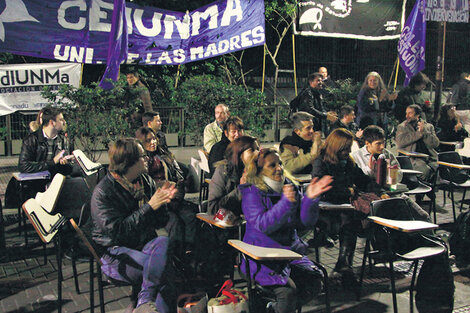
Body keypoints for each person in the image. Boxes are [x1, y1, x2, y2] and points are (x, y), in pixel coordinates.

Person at [241, 148, 333, 313]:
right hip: (262, 258)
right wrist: (286, 204)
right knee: (287, 292)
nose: (279, 168)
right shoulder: (252, 192)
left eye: (280, 163)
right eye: (272, 165)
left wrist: (310, 200)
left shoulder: (289, 187)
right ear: (260, 171)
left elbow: (305, 222)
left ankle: (274, 309)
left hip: (289, 254)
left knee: (315, 283)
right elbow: (262, 225)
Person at [91, 138, 176, 313]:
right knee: (162, 271)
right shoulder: (104, 192)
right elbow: (118, 233)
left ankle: (142, 303)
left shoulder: (145, 181)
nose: (148, 159)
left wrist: (162, 203)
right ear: (130, 162)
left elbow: (161, 222)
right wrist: (149, 206)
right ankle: (144, 302)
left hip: (142, 245)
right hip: (114, 252)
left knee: (163, 242)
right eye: (143, 156)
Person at [311, 129, 389, 285]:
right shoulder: (321, 161)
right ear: (337, 147)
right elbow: (321, 190)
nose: (348, 152)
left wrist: (380, 192)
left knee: (352, 218)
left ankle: (345, 265)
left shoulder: (348, 162)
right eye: (345, 148)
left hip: (345, 207)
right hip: (326, 210)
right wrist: (347, 191)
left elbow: (364, 181)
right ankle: (345, 266)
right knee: (349, 220)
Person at [135, 127, 197, 255]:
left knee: (191, 216)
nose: (153, 142)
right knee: (175, 223)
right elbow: (144, 187)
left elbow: (179, 176)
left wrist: (177, 193)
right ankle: (175, 257)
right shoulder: (141, 162)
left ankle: (190, 254)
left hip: (175, 197)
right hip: (158, 203)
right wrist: (163, 189)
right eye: (148, 140)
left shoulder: (165, 155)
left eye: (154, 138)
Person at [352, 126, 431, 221]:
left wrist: (390, 172)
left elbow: (397, 179)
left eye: (383, 142)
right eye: (378, 144)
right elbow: (360, 182)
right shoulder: (356, 157)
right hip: (373, 199)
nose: (382, 146)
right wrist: (369, 169)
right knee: (403, 218)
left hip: (394, 194)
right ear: (367, 143)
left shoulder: (387, 154)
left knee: (423, 216)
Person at [208, 135, 259, 215]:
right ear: (239, 154)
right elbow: (213, 209)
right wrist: (241, 190)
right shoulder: (223, 171)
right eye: (252, 150)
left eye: (258, 149)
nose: (257, 153)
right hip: (231, 223)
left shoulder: (260, 169)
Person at [19, 106, 72, 176]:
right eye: (61, 120)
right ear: (52, 122)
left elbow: (64, 170)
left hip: (57, 181)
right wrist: (52, 162)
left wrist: (67, 162)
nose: (64, 122)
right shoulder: (31, 139)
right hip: (36, 182)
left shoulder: (63, 139)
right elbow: (23, 166)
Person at [396, 104, 440, 182]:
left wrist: (425, 132)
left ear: (418, 115)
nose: (407, 116)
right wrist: (418, 134)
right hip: (413, 158)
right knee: (425, 171)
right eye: (406, 113)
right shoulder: (402, 127)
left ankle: (424, 191)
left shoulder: (429, 126)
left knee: (437, 169)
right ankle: (426, 191)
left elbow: (435, 144)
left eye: (410, 113)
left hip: (429, 157)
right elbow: (400, 142)